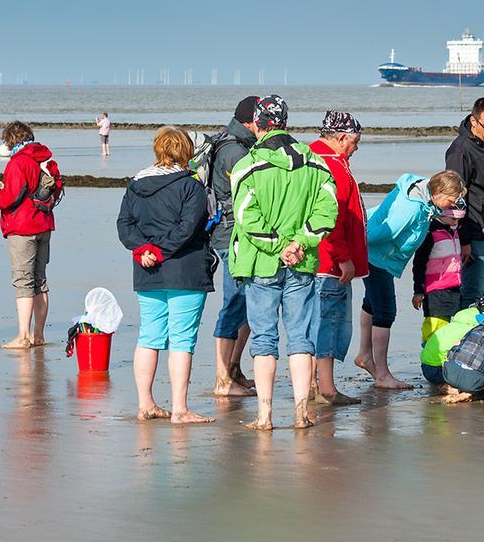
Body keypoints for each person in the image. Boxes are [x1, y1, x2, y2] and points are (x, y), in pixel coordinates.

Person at [229, 95, 338, 431]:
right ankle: (301, 412)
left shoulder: (247, 166)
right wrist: (299, 243)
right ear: (286, 123)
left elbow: (247, 216)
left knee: (264, 338)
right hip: (302, 262)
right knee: (301, 337)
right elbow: (327, 211)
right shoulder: (317, 165)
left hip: (262, 263)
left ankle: (265, 415)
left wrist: (278, 247)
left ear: (258, 124)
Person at [117, 126, 215, 425]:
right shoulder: (192, 185)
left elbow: (125, 225)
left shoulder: (136, 184)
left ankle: (146, 403)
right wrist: (156, 251)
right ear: (186, 151)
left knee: (149, 335)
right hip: (184, 269)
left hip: (148, 269)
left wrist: (144, 249)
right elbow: (187, 229)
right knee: (181, 340)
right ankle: (180, 409)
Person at [360, 170, 467, 389]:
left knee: (370, 303)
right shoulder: (412, 208)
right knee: (385, 312)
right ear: (438, 192)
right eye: (450, 200)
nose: (451, 205)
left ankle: (365, 355)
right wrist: (358, 238)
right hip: (377, 258)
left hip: (381, 259)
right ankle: (382, 374)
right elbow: (381, 232)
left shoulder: (424, 199)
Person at [308, 111, 369, 407]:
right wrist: (343, 258)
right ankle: (327, 388)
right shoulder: (329, 166)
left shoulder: (309, 159)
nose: (357, 148)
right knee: (329, 323)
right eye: (355, 141)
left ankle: (310, 384)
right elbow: (331, 218)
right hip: (328, 263)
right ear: (342, 137)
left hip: (313, 261)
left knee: (312, 322)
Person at [0, 121, 56, 349]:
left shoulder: (18, 162)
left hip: (23, 227)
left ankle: (23, 337)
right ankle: (38, 335)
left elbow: (9, 198)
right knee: (40, 281)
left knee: (23, 282)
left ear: (10, 140)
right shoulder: (45, 158)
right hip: (44, 224)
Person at [210, 95, 260, 397]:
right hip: (230, 237)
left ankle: (233, 369)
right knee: (234, 304)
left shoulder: (239, 145)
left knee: (244, 304)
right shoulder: (234, 152)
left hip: (234, 235)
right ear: (249, 122)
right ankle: (222, 379)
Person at [446, 96, 484, 307]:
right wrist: (463, 240)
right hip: (474, 234)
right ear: (473, 121)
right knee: (472, 296)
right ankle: (466, 338)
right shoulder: (460, 150)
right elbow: (454, 197)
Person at [411, 198, 466, 343]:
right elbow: (419, 264)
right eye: (453, 218)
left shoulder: (454, 231)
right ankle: (430, 359)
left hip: (453, 288)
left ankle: (442, 359)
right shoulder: (431, 233)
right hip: (435, 290)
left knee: (448, 330)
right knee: (435, 328)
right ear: (441, 214)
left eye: (459, 219)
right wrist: (418, 291)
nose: (456, 222)